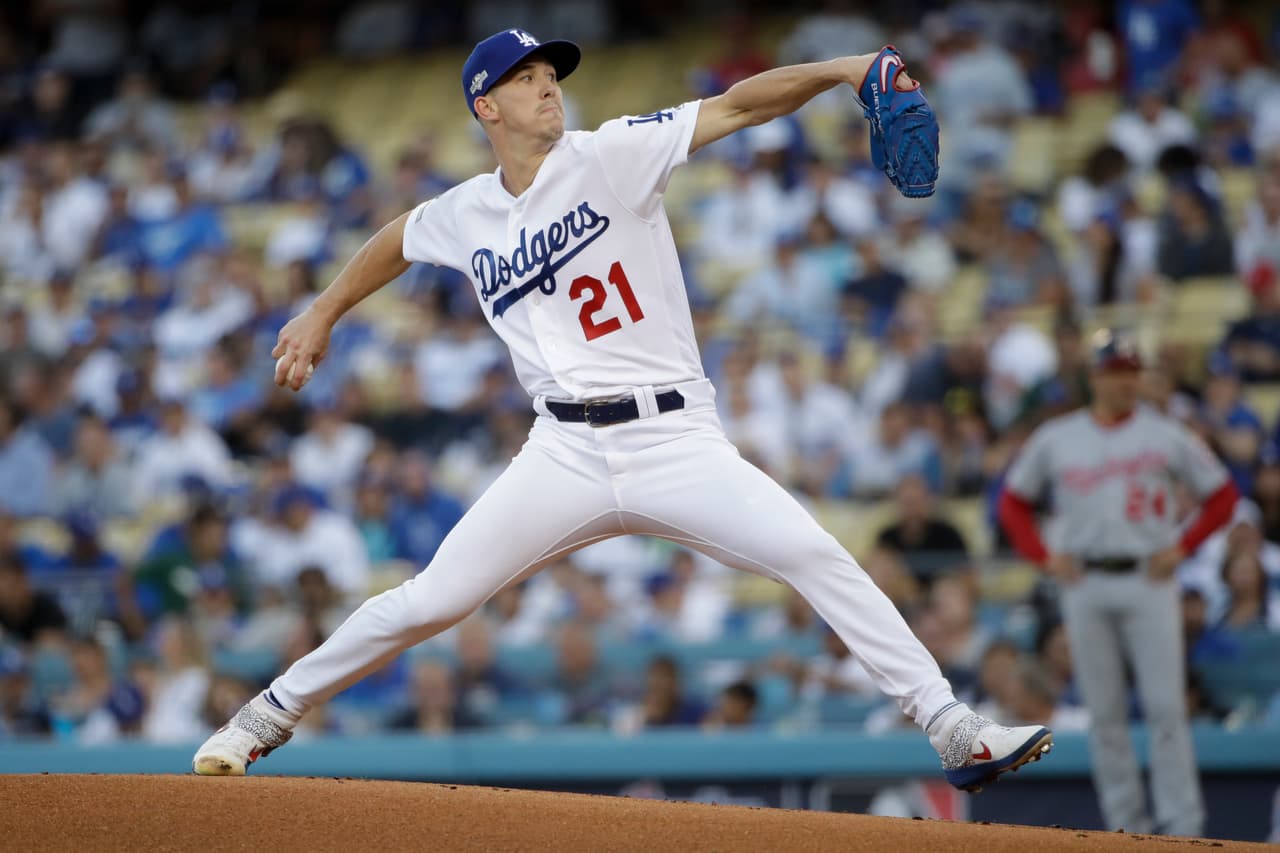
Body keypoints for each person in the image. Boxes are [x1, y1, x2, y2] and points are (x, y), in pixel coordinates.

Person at [193, 29, 1052, 791]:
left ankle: (952, 727)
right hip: (561, 450)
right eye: (527, 78)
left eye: (551, 73)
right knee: (431, 600)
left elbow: (740, 105)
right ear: (485, 105)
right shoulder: (467, 212)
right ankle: (265, 714)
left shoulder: (610, 155)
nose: (548, 86)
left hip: (673, 435)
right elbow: (393, 240)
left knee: (814, 552)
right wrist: (322, 311)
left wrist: (847, 68)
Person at [997, 329, 1239, 836]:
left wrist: (1184, 546)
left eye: (1131, 371)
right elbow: (1012, 503)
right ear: (1094, 378)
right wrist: (1043, 557)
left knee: (1166, 709)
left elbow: (1222, 496)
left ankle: (1182, 826)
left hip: (1148, 577)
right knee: (1104, 714)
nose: (1125, 381)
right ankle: (1125, 827)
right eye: (1115, 372)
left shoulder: (1166, 433)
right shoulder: (1058, 437)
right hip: (1084, 581)